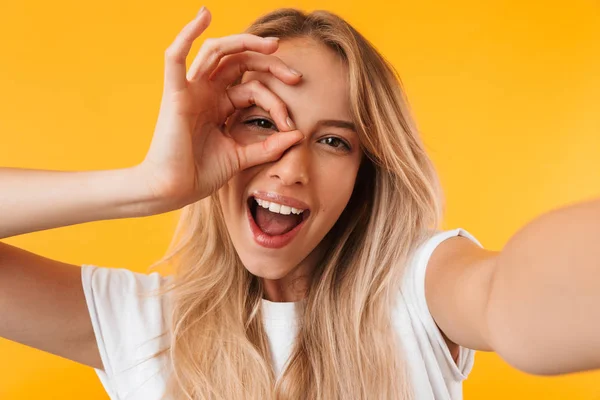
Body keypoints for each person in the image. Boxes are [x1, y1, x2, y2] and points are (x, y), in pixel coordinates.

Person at [0, 6, 598, 400]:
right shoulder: (142, 325)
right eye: (261, 122)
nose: (292, 166)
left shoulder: (417, 292)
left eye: (334, 140)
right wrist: (150, 184)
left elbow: (511, 298)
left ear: (366, 172)